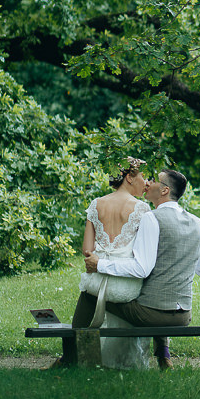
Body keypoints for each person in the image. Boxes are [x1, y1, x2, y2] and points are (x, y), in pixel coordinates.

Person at [80, 168, 200, 371]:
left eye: (154, 180)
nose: (147, 183)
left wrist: (100, 265)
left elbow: (141, 269)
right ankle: (164, 355)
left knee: (90, 295)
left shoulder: (152, 218)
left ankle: (68, 357)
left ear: (165, 190)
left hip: (151, 315)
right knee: (154, 293)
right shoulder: (196, 222)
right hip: (184, 315)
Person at [71, 157, 152, 369]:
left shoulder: (96, 204)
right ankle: (120, 359)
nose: (146, 182)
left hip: (96, 283)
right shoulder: (142, 209)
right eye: (144, 176)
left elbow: (87, 250)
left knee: (89, 293)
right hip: (125, 286)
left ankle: (74, 356)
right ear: (129, 177)